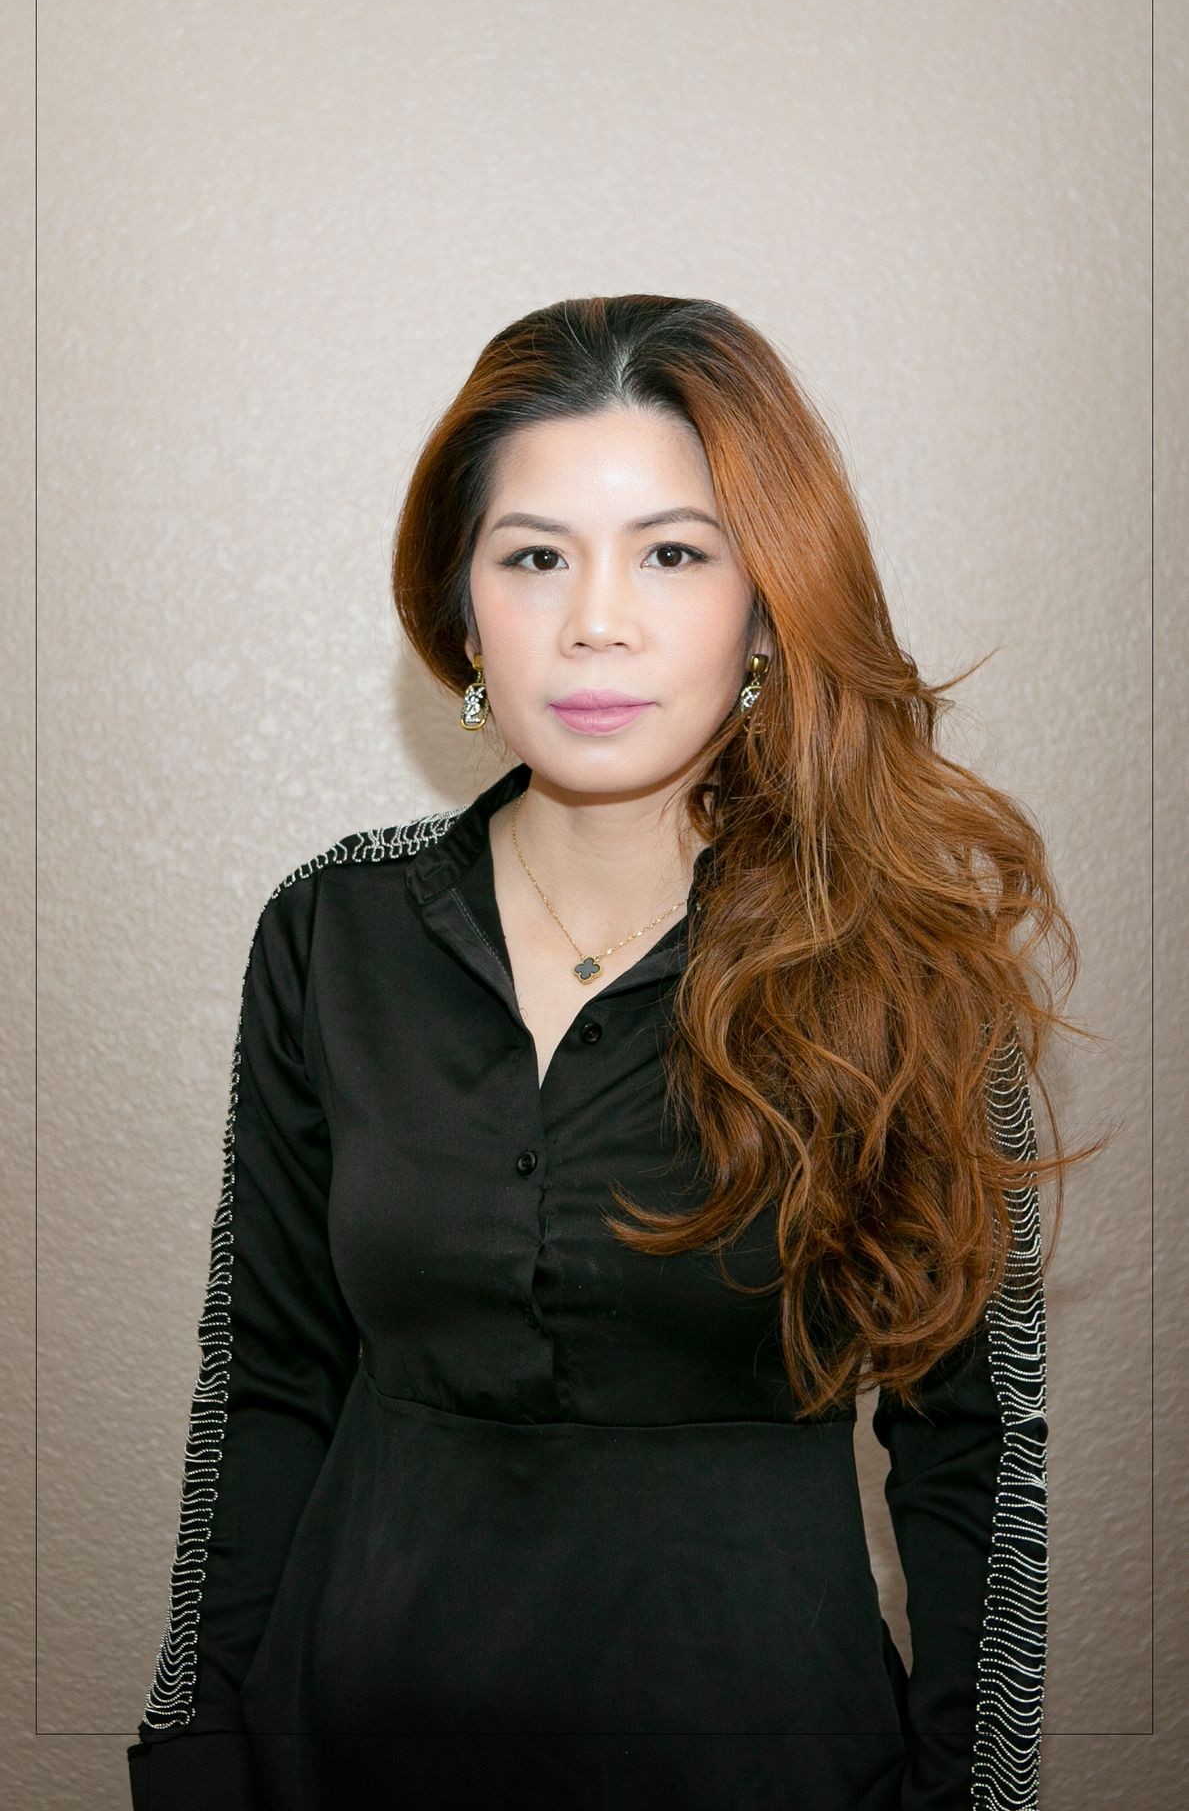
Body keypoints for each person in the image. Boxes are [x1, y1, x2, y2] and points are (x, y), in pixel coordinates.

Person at [127, 294, 1094, 1811]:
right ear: (461, 611)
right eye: (534, 557)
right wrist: (192, 1752)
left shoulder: (911, 960)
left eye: (672, 553)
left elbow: (980, 1448)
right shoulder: (329, 931)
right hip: (342, 1750)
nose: (597, 619)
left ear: (765, 606)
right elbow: (267, 1384)